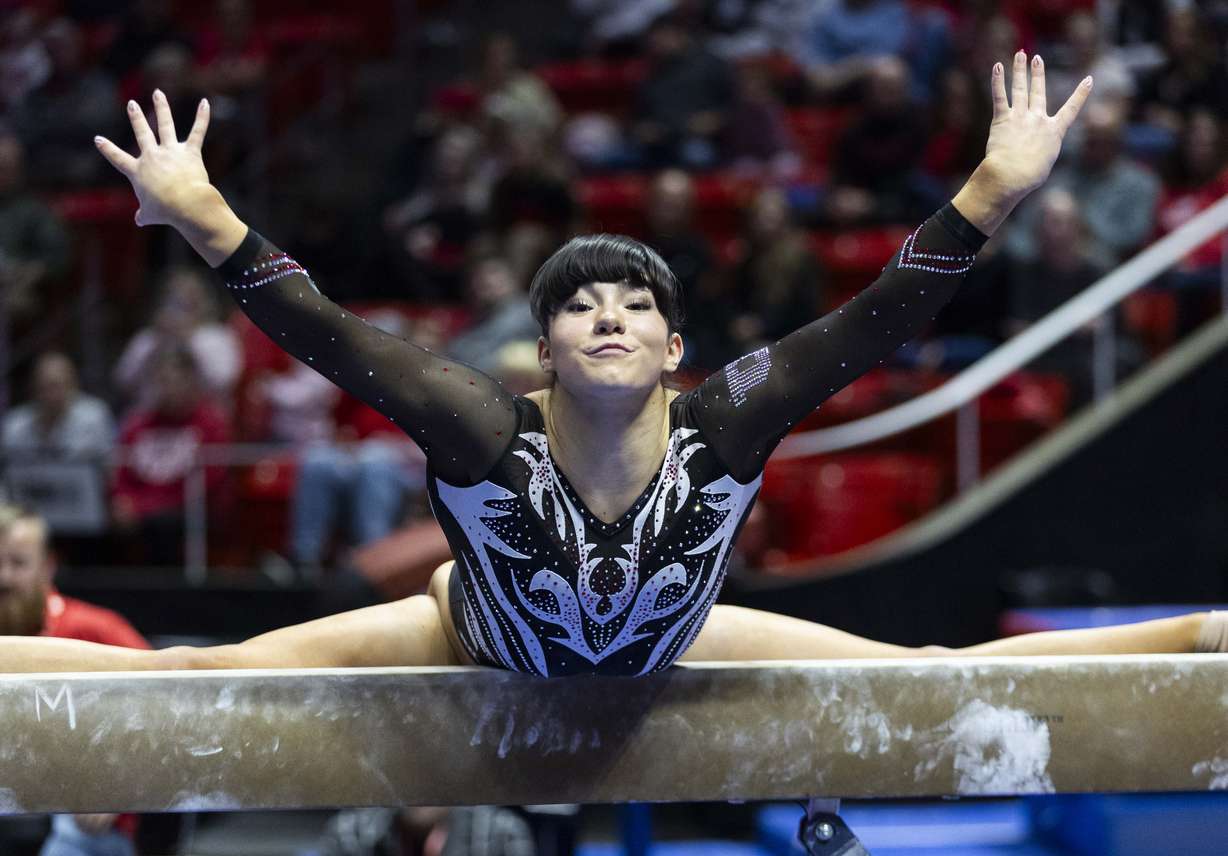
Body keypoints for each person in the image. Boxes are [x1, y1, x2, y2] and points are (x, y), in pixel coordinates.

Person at [5, 54, 1226, 679]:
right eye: (577, 306)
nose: (606, 317)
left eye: (633, 304)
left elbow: (874, 321)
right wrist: (207, 215)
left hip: (673, 655)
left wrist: (993, 191)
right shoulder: (481, 427)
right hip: (466, 642)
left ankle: (1200, 643)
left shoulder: (726, 429)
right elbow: (327, 330)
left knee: (934, 675)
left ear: (673, 348)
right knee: (204, 675)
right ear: (539, 353)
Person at [0, 505, 148, 855]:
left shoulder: (94, 629)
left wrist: (120, 785)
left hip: (81, 819)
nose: (3, 578)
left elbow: (171, 705)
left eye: (18, 563)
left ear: (48, 566)